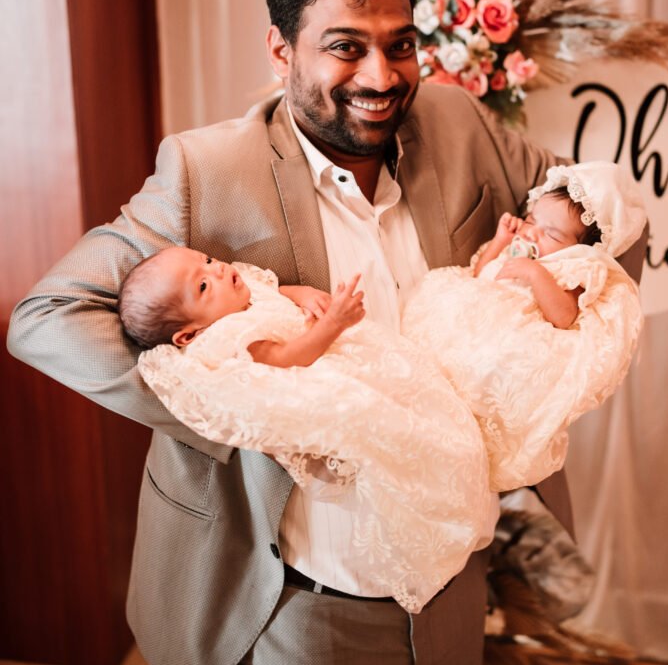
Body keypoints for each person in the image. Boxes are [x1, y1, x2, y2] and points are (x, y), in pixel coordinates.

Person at [7, 0, 645, 665]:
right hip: (308, 601)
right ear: (281, 51)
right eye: (346, 46)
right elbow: (47, 316)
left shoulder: (455, 122)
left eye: (400, 45)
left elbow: (604, 225)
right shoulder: (208, 169)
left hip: (455, 582)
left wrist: (542, 353)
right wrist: (241, 398)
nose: (382, 76)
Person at [118, 247, 492, 614]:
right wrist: (333, 324)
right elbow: (285, 358)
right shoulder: (228, 335)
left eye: (208, 260)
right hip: (326, 371)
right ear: (188, 335)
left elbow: (275, 291)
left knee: (421, 401)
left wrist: (304, 294)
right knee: (394, 432)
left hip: (360, 357)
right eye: (202, 286)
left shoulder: (238, 293)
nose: (217, 271)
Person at [402, 160, 646, 493]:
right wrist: (500, 241)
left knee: (490, 368)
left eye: (551, 234)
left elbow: (564, 316)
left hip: (507, 337)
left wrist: (535, 274)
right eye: (532, 220)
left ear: (580, 249)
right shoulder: (518, 248)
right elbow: (480, 273)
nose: (532, 233)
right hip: (472, 315)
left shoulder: (573, 269)